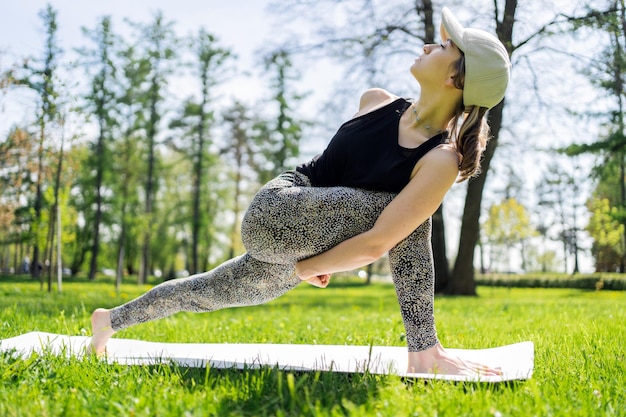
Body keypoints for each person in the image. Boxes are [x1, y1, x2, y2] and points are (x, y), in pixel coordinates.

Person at [90, 7, 510, 376]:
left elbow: (372, 239)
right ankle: (424, 350)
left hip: (299, 248)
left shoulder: (440, 159)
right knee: (406, 222)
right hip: (276, 209)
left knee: (205, 291)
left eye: (440, 47)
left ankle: (109, 320)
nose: (425, 47)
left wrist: (312, 259)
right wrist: (312, 265)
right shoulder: (376, 101)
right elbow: (378, 239)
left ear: (457, 76)